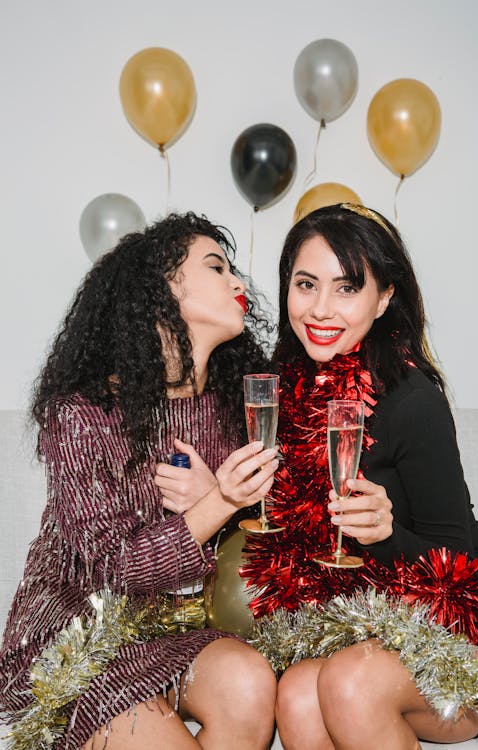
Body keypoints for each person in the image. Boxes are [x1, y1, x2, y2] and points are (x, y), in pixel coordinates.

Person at [0, 212, 278, 750]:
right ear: (160, 294)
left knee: (250, 684)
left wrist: (227, 505)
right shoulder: (82, 415)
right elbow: (111, 567)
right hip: (78, 644)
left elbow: (269, 543)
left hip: (179, 634)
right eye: (216, 267)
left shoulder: (237, 407)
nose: (239, 283)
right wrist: (217, 502)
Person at [242, 203, 478, 748]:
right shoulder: (276, 395)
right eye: (306, 284)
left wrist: (386, 536)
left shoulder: (411, 399)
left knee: (350, 683)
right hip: (360, 630)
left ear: (384, 299)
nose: (320, 308)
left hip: (463, 635)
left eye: (347, 288)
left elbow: (466, 574)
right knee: (296, 694)